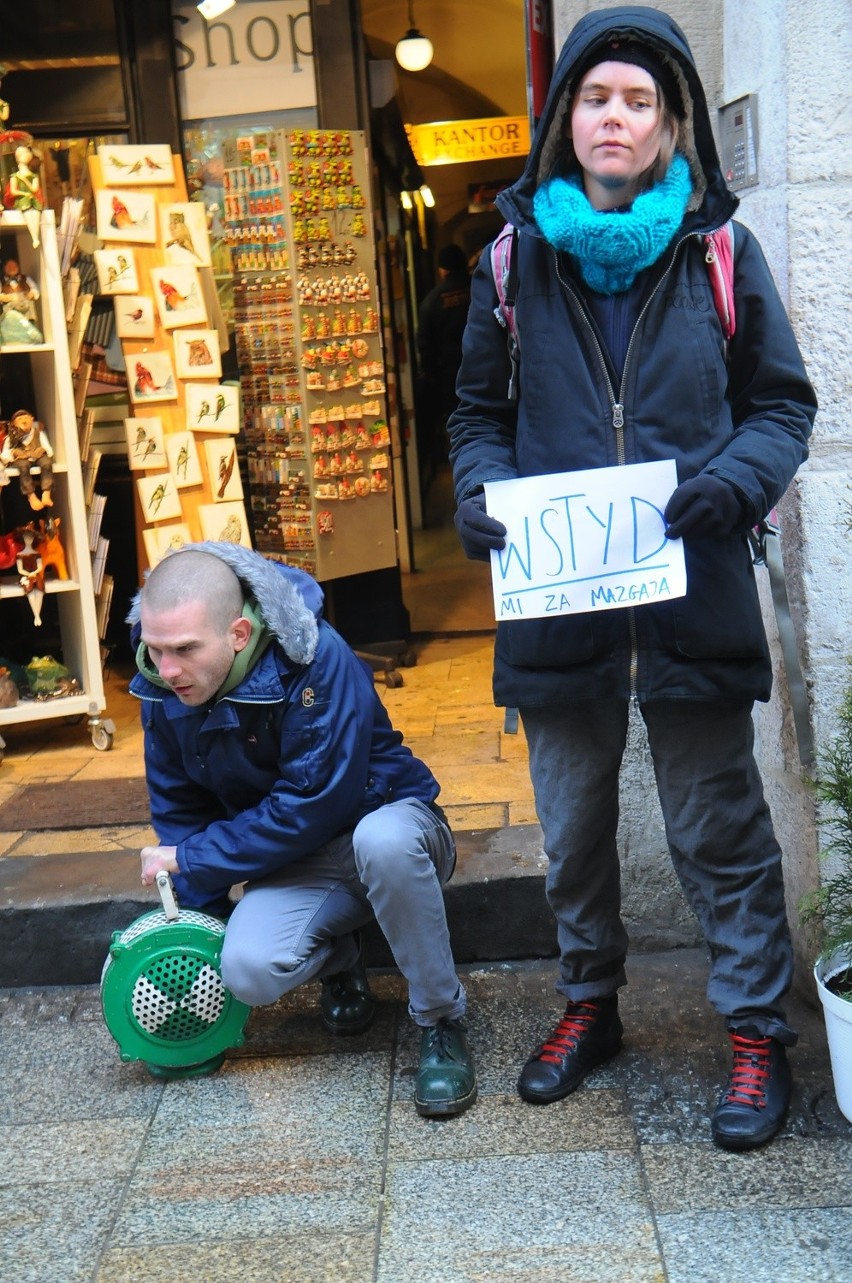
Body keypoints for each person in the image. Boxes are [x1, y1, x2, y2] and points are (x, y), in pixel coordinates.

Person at [448, 6, 817, 1152]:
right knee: (574, 823)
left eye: (639, 102)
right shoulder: (512, 261)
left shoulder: (720, 251)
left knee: (719, 825)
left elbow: (781, 405)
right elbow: (476, 417)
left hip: (689, 589)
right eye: (597, 98)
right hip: (561, 604)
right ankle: (589, 1002)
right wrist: (479, 495)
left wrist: (737, 482)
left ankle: (758, 1032)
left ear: (669, 129)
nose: (616, 117)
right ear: (566, 119)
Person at [129, 541, 476, 1118]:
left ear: (239, 634)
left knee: (381, 842)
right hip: (296, 861)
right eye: (156, 648)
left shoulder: (316, 657)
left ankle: (441, 1020)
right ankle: (341, 958)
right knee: (247, 971)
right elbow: (181, 811)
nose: (167, 670)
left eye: (185, 650)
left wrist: (191, 859)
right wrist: (199, 936)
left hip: (389, 825)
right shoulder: (163, 687)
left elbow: (312, 802)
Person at [416, 243, 471, 491]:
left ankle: (465, 476)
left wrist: (430, 373)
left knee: (458, 426)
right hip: (487, 372)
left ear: (441, 270)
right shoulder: (480, 287)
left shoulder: (431, 301)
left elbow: (425, 345)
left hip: (450, 379)